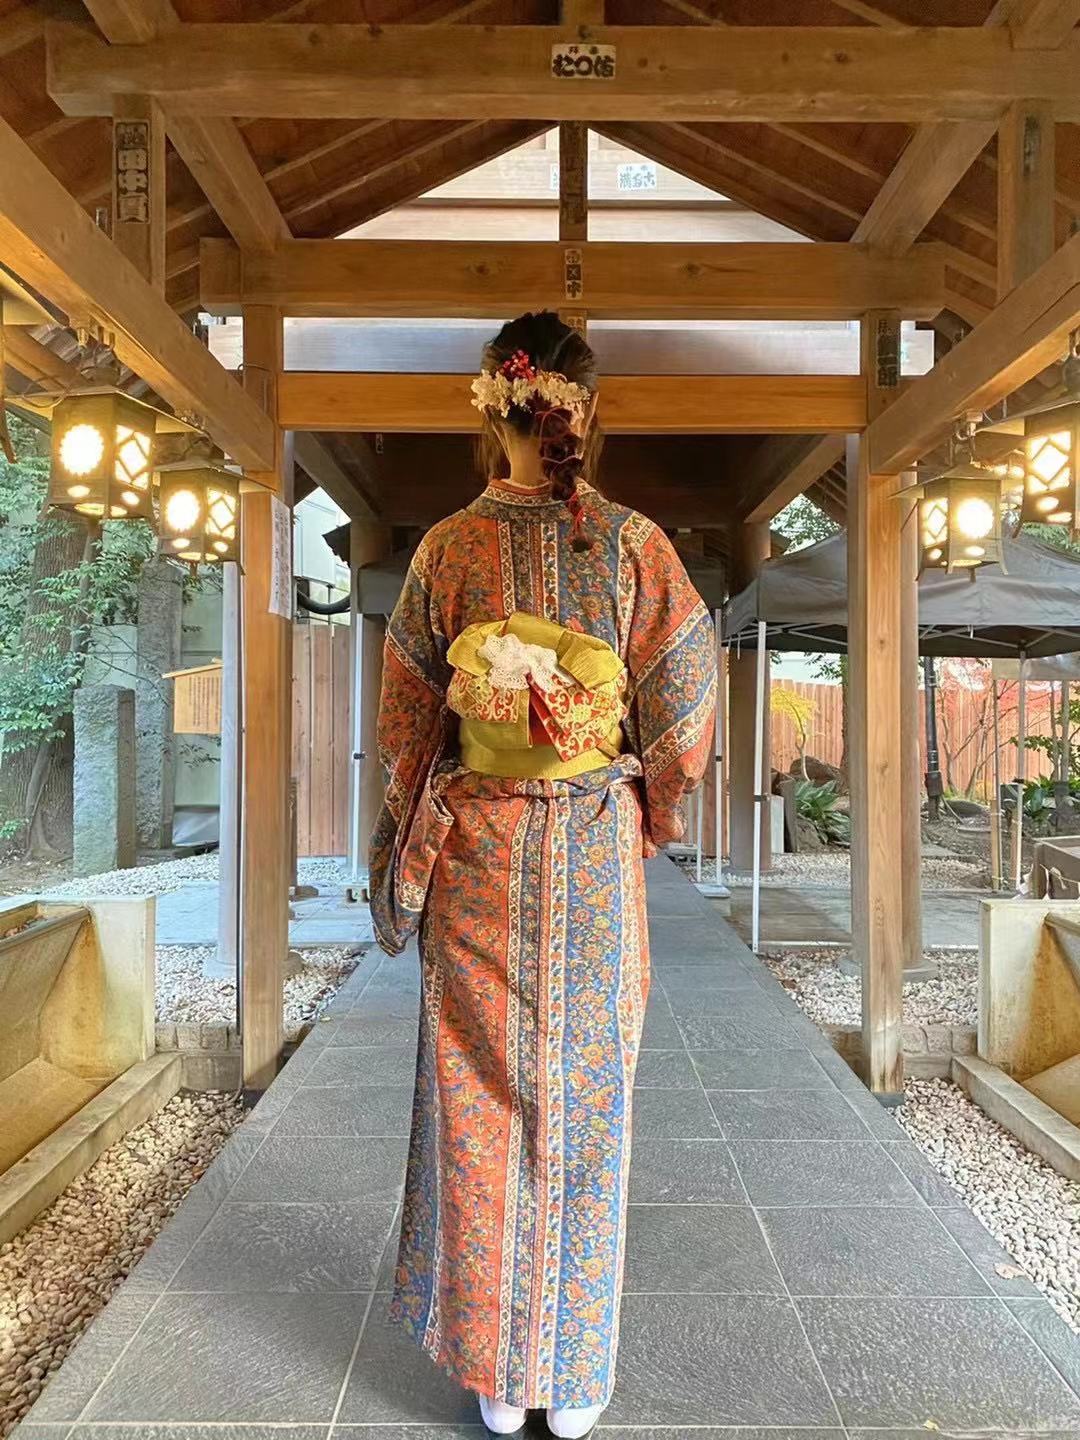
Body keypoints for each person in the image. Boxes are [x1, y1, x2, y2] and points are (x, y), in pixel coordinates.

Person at [370, 311, 716, 1438]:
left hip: (478, 854)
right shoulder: (633, 547)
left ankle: (498, 1372)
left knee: (478, 1103)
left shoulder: (445, 551)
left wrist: (400, 854)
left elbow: (408, 726)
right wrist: (649, 802)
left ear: (493, 415)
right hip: (592, 852)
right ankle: (573, 1369)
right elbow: (685, 703)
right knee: (589, 1100)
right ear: (587, 414)